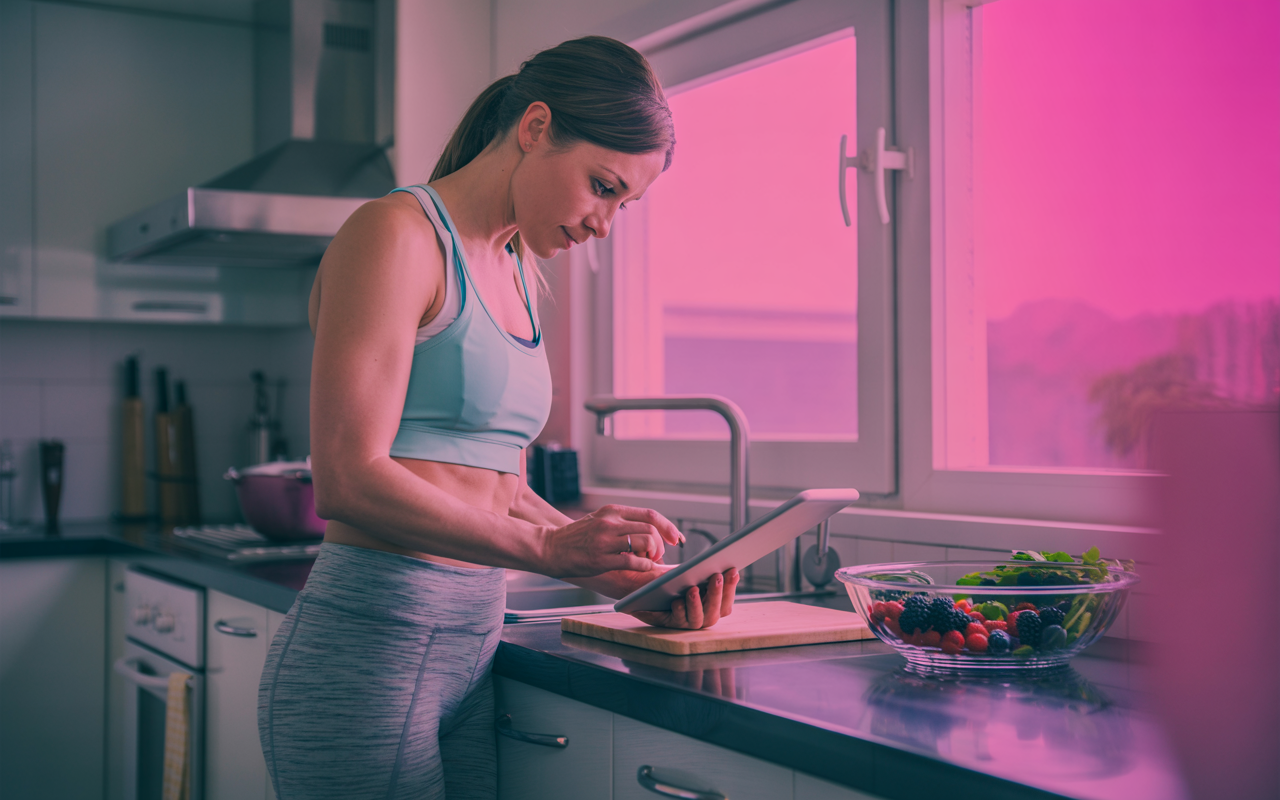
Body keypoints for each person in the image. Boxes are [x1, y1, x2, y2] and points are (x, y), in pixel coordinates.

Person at [258, 36, 740, 800]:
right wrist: (552, 551)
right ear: (536, 127)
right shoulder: (395, 236)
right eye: (602, 185)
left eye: (626, 203)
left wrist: (621, 569)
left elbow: (494, 481)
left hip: (471, 648)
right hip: (367, 653)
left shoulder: (519, 268)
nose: (606, 224)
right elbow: (348, 479)